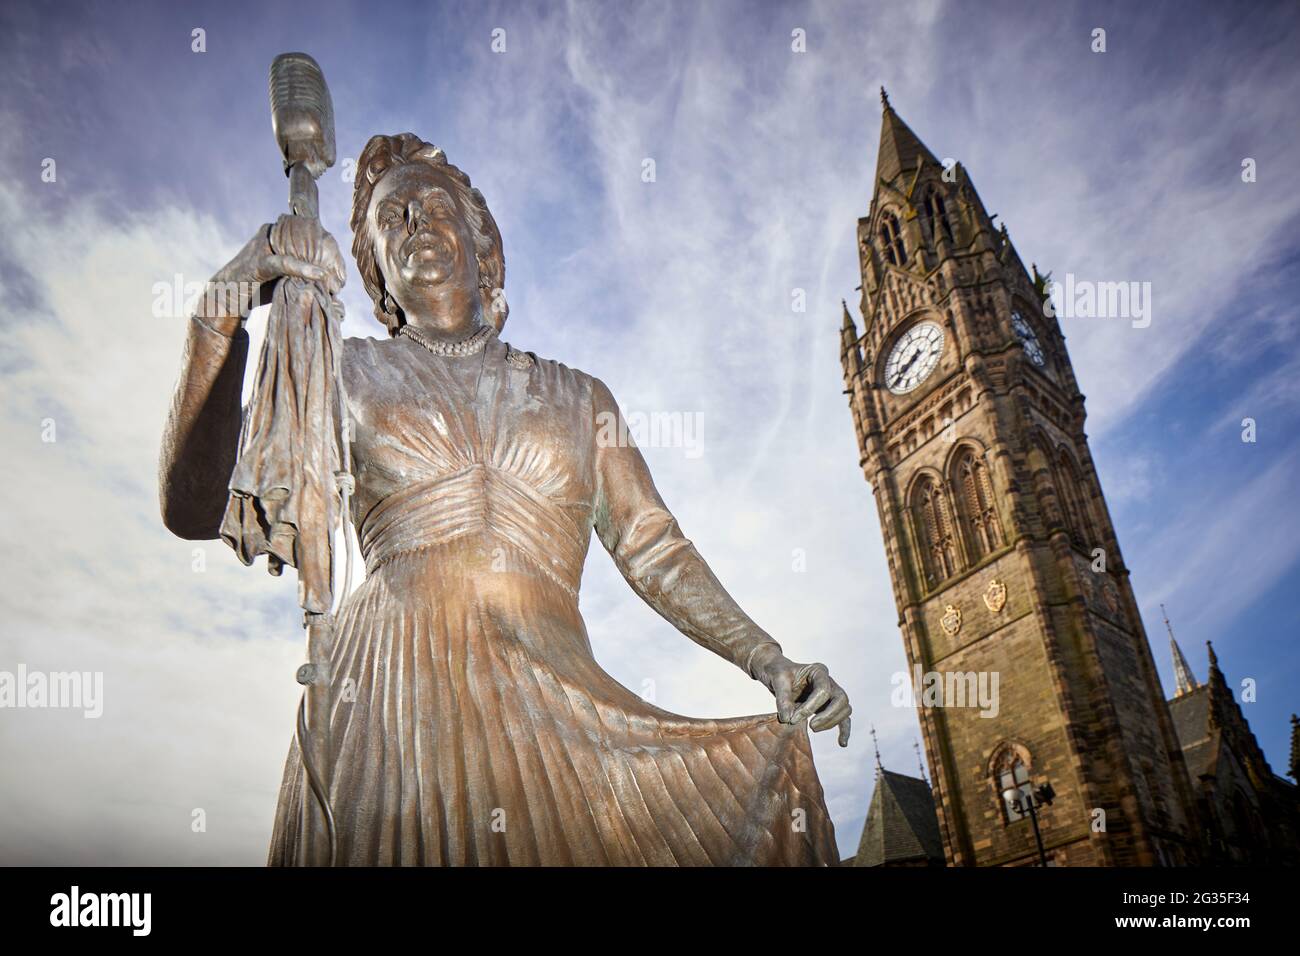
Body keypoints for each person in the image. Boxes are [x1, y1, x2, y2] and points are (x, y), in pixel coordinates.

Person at [159, 133, 851, 865]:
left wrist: (768, 660)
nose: (415, 225)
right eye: (390, 220)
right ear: (374, 272)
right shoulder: (342, 370)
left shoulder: (580, 397)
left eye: (432, 207)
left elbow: (655, 548)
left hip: (559, 698)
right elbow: (195, 507)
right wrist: (227, 300)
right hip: (390, 697)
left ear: (481, 238)